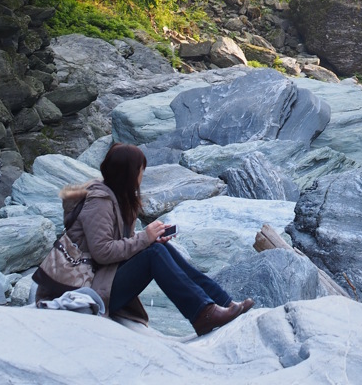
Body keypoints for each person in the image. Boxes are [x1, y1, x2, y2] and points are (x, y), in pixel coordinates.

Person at [36, 143, 254, 334]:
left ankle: (220, 302)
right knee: (154, 253)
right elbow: (102, 253)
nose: (142, 176)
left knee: (160, 248)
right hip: (83, 287)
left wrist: (148, 239)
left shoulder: (117, 197)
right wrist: (143, 239)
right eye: (140, 170)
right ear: (129, 173)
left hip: (101, 277)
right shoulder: (99, 202)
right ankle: (203, 314)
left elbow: (119, 248)